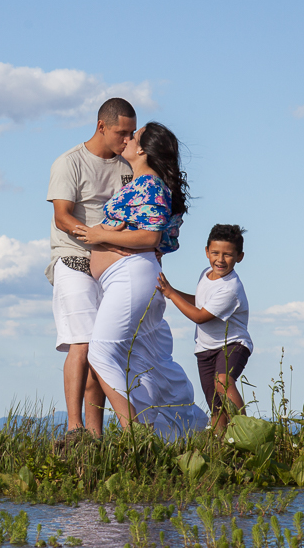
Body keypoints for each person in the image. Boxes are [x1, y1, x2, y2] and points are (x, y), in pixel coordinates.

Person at [77, 122, 207, 438]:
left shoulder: (150, 184)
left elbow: (152, 236)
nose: (127, 138)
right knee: (148, 361)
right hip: (128, 276)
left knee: (100, 353)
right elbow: (161, 238)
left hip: (130, 276)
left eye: (133, 136)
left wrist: (101, 234)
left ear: (143, 150)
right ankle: (183, 430)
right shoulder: (143, 183)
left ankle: (135, 435)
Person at [47, 97, 137, 436]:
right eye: (121, 133)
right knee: (82, 344)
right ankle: (74, 428)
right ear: (102, 126)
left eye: (131, 134)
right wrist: (97, 237)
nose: (127, 141)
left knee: (103, 347)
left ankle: (96, 435)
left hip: (112, 261)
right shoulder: (69, 162)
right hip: (73, 258)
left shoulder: (127, 167)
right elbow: (62, 216)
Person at [158, 224, 252, 432]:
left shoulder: (230, 288)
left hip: (232, 343)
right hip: (205, 348)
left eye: (228, 255)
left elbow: (200, 316)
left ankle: (246, 431)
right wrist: (171, 290)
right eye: (215, 253)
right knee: (215, 404)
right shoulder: (206, 274)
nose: (220, 259)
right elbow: (201, 303)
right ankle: (219, 444)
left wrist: (171, 293)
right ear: (206, 251)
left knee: (223, 382)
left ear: (240, 257)